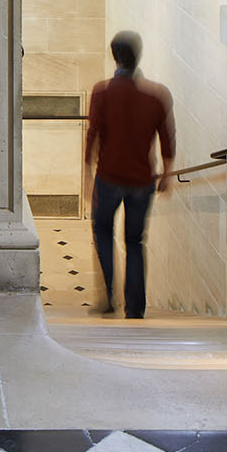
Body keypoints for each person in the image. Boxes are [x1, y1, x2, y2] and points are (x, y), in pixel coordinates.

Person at [85, 31, 175, 319]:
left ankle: (108, 298)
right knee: (135, 242)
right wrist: (167, 173)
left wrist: (87, 173)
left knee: (102, 232)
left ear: (115, 57)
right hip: (141, 180)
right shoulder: (157, 96)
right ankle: (135, 308)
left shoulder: (101, 92)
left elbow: (93, 135)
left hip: (109, 177)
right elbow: (167, 138)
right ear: (138, 57)